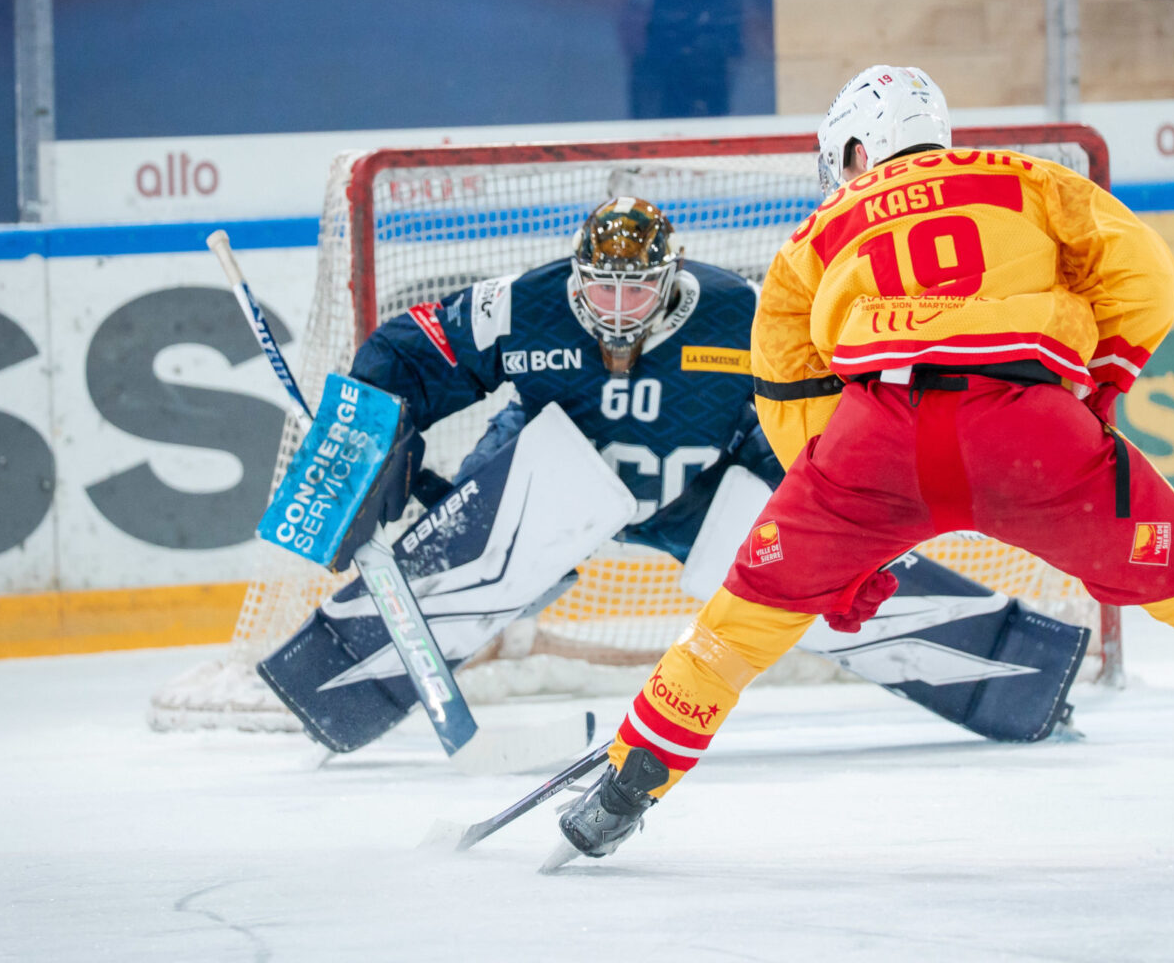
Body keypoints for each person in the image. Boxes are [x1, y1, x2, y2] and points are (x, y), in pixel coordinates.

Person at [554, 66, 1174, 864]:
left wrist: (840, 534)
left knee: (736, 630)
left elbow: (787, 388)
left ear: (859, 150)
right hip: (1031, 433)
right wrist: (1099, 386)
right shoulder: (1029, 180)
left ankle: (623, 792)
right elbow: (1144, 272)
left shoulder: (815, 234)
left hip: (874, 443)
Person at [259, 196, 1092, 754]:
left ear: (671, 277)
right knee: (468, 554)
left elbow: (822, 404)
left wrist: (835, 513)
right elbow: (408, 352)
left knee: (835, 577)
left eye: (638, 292)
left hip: (704, 488)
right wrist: (374, 445)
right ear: (575, 272)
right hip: (559, 471)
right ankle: (328, 693)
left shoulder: (750, 311)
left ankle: (1022, 684)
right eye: (601, 289)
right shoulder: (520, 303)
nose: (616, 310)